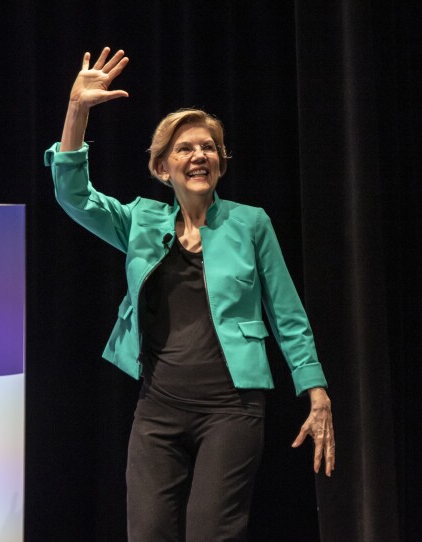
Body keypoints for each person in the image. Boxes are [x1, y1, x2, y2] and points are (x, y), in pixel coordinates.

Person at [44, 47, 335, 542]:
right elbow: (73, 196)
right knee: (149, 532)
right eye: (184, 149)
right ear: (163, 168)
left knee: (211, 534)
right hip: (158, 406)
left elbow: (288, 314)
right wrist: (77, 111)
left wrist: (317, 391)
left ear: (220, 162)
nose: (198, 155)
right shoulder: (139, 220)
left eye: (208, 148)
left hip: (232, 407)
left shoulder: (251, 223)